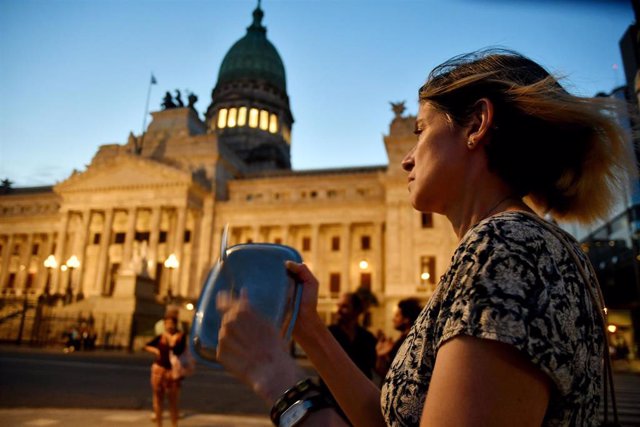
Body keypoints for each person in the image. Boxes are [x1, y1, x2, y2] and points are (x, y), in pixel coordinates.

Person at [215, 49, 634, 426]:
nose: (405, 158)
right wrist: (309, 330)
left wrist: (277, 380)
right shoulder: (517, 246)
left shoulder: (506, 251)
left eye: (419, 130)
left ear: (476, 125)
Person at [144, 313, 186, 427]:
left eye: (171, 323)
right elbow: (147, 345)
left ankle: (174, 424)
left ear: (176, 324)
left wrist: (172, 343)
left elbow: (181, 351)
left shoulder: (181, 337)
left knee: (173, 400)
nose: (169, 326)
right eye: (167, 324)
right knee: (158, 398)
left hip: (173, 371)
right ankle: (159, 424)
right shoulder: (161, 337)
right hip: (159, 369)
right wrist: (155, 351)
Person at [329, 293, 377, 379]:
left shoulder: (367, 338)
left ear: (357, 310)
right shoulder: (329, 334)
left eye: (344, 307)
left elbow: (374, 368)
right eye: (338, 306)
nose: (338, 311)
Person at [375, 298, 422, 377]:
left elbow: (390, 375)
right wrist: (381, 356)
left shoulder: (407, 343)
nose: (393, 319)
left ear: (406, 319)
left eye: (397, 316)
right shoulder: (405, 340)